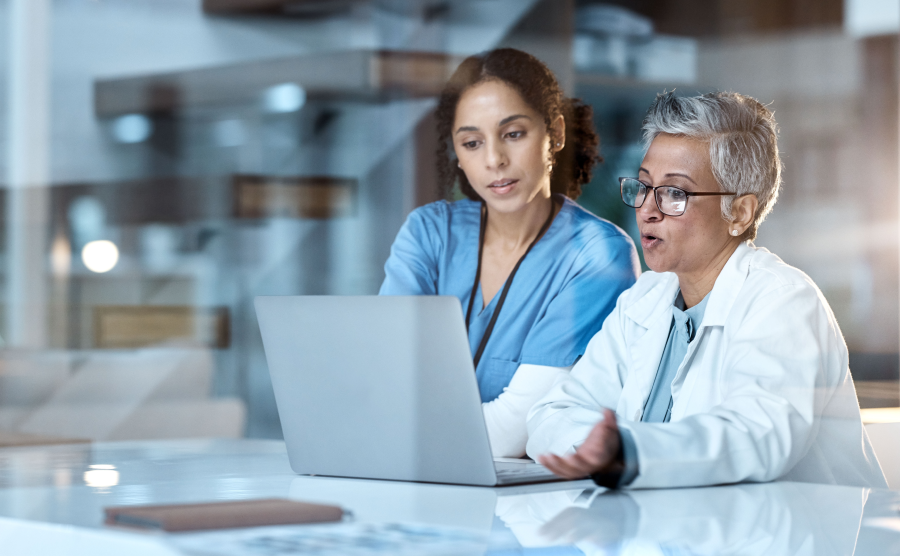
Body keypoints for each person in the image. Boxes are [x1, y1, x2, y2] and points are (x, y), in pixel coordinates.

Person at [527, 91, 887, 489]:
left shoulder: (783, 301)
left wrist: (628, 452)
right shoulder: (643, 300)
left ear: (739, 212)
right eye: (643, 186)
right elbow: (553, 413)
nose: (647, 209)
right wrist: (594, 450)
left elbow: (757, 436)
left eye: (675, 193)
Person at [380, 49, 639, 458]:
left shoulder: (597, 256)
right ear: (458, 154)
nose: (494, 160)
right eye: (471, 142)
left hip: (531, 505)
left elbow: (511, 435)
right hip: (422, 482)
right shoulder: (430, 233)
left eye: (513, 133)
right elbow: (385, 385)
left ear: (554, 133)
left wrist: (400, 427)